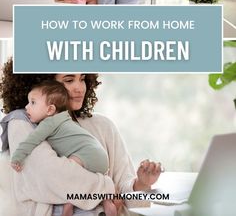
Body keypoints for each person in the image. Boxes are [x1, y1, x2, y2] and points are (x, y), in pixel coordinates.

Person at [0, 58, 162, 216]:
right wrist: (106, 187)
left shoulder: (103, 126)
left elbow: (124, 196)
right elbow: (53, 177)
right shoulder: (21, 122)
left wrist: (142, 184)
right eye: (69, 80)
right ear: (44, 85)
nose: (80, 88)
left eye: (82, 78)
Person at [11, 81, 116, 216]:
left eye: (33, 102)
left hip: (87, 154)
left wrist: (17, 157)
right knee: (82, 176)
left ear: (50, 110)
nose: (26, 107)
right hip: (100, 156)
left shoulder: (48, 123)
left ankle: (69, 204)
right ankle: (107, 201)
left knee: (69, 171)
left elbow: (31, 141)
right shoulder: (65, 118)